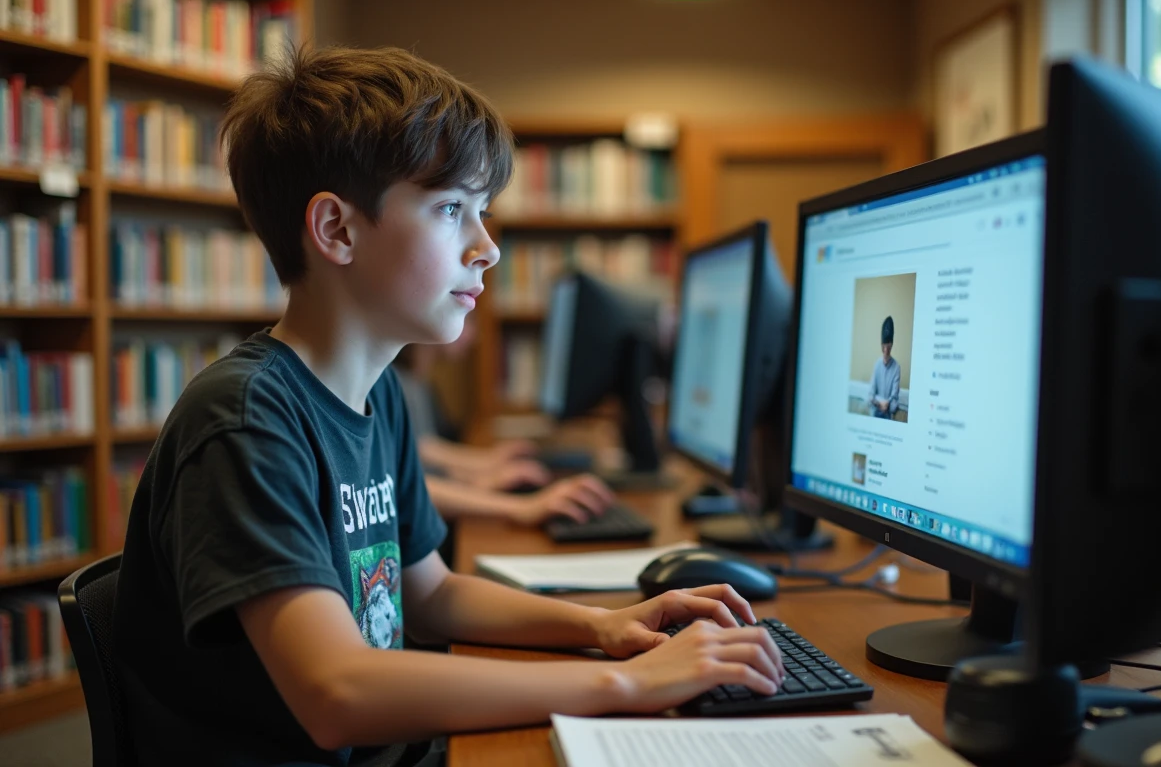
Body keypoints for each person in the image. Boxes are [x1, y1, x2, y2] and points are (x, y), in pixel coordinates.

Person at [111, 45, 784, 767]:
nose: (487, 247)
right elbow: (336, 693)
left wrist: (605, 626)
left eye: (481, 211)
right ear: (337, 230)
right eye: (451, 209)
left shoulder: (377, 392)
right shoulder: (246, 420)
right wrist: (625, 682)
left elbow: (430, 595)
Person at [396, 321, 616, 526]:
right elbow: (406, 484)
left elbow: (422, 455)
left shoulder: (415, 383)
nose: (475, 334)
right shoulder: (397, 382)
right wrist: (521, 506)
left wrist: (482, 472)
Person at [869, 315, 901, 419]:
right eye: (884, 346)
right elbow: (870, 395)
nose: (886, 350)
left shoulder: (896, 368)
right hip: (875, 413)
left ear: (892, 345)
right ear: (881, 345)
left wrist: (887, 404)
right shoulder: (877, 365)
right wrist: (879, 404)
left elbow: (894, 397)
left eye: (888, 346)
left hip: (888, 415)